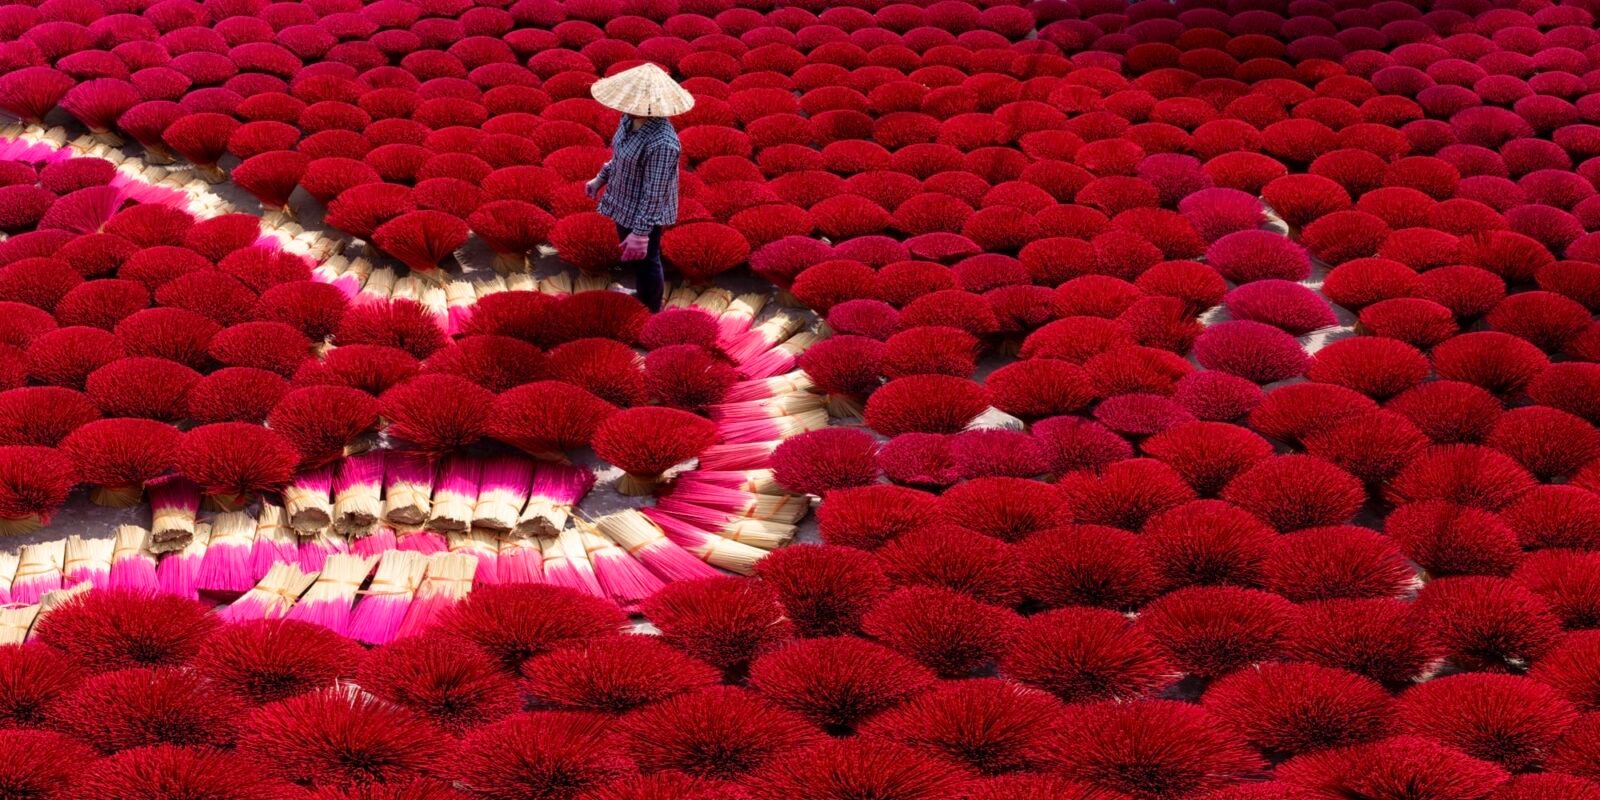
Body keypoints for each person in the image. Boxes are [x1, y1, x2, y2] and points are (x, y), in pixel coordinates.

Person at [585, 63, 694, 312]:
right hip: (623, 200)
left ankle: (650, 307)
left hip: (646, 212)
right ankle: (641, 293)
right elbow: (620, 157)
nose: (621, 106)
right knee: (637, 259)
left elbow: (654, 194)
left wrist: (641, 232)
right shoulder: (628, 121)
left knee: (647, 260)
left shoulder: (663, 143)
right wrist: (600, 179)